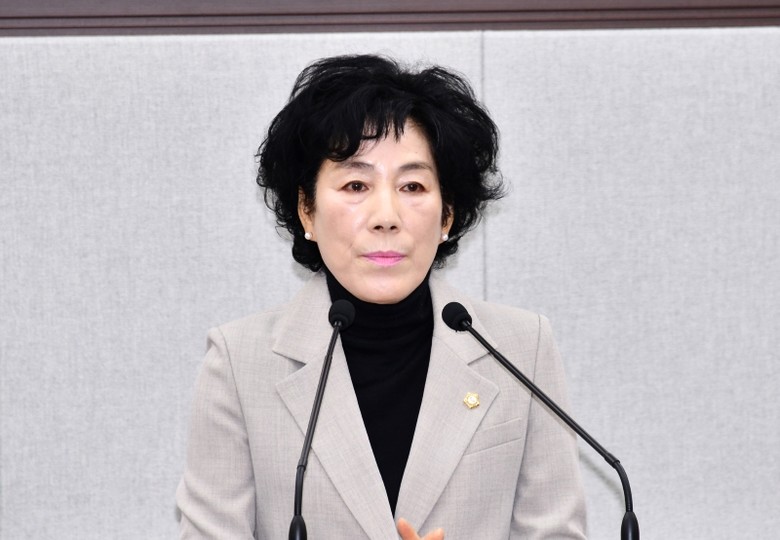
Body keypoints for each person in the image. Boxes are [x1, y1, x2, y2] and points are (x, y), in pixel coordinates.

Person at [176, 54, 586, 539]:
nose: (386, 216)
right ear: (306, 210)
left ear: (447, 214)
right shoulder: (239, 363)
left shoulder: (520, 348)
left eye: (412, 185)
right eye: (356, 184)